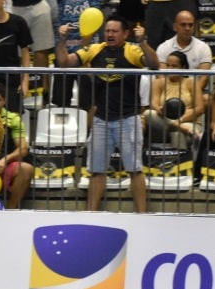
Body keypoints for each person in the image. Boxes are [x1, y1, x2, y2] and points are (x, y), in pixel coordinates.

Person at [55, 14, 159, 213]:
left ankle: (142, 216)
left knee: (135, 170)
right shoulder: (95, 50)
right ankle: (91, 215)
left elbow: (154, 64)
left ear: (125, 33)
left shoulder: (132, 51)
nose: (110, 34)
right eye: (107, 31)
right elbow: (64, 63)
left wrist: (143, 42)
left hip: (128, 119)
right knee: (96, 171)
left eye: (114, 31)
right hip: (101, 119)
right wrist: (62, 41)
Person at [142, 51, 205, 148]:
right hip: (165, 120)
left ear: (183, 67)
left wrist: (180, 119)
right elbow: (154, 104)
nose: (170, 69)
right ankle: (183, 129)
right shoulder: (158, 83)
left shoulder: (192, 83)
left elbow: (200, 108)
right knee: (148, 113)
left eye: (174, 66)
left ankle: (181, 162)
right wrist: (160, 109)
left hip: (189, 122)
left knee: (177, 134)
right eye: (168, 65)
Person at [0, 86, 34, 209]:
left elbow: (23, 148)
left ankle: (10, 210)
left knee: (26, 169)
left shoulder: (13, 119)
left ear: (4, 101)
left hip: (5, 164)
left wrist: (5, 160)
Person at [155, 10, 212, 92]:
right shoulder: (163, 47)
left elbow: (204, 78)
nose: (187, 28)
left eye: (190, 25)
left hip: (195, 92)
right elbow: (161, 77)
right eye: (183, 25)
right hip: (169, 91)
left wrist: (189, 96)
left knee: (206, 99)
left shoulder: (203, 47)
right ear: (175, 27)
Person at [10, 0, 55, 103]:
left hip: (38, 6)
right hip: (13, 8)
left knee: (41, 51)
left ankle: (45, 94)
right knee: (16, 53)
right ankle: (16, 93)